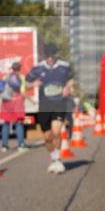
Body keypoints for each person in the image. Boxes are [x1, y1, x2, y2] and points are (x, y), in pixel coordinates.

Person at [26, 43, 75, 174]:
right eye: (47, 56)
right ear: (44, 56)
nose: (50, 58)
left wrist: (67, 87)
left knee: (56, 131)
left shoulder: (64, 66)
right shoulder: (37, 68)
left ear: (56, 55)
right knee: (47, 137)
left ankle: (58, 159)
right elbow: (25, 84)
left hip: (59, 103)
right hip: (44, 105)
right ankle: (54, 160)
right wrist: (32, 84)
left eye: (52, 56)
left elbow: (71, 79)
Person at [0, 61, 26, 152]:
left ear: (12, 68)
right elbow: (22, 92)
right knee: (19, 123)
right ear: (20, 68)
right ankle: (21, 145)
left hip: (6, 102)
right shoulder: (21, 77)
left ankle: (4, 146)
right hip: (17, 101)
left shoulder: (5, 77)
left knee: (6, 123)